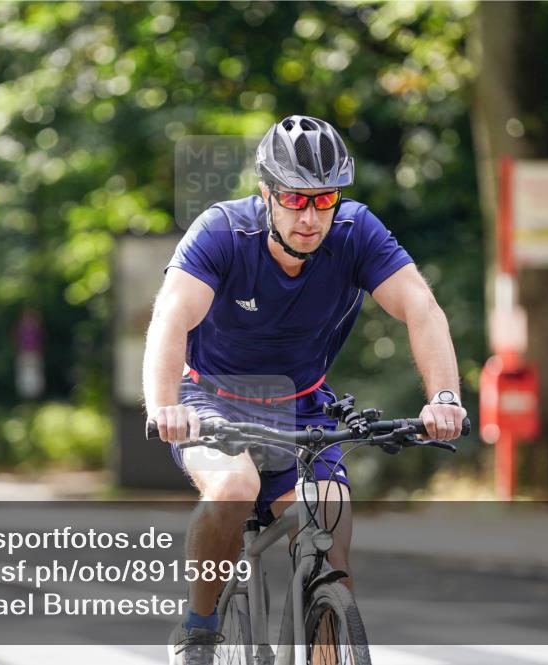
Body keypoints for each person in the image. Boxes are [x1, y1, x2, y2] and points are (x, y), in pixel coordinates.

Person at [143, 115, 467, 665]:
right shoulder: (222, 233)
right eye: (295, 199)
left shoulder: (356, 232)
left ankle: (324, 637)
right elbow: (171, 318)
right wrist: (164, 407)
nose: (311, 216)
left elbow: (421, 306)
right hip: (211, 400)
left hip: (304, 408)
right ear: (267, 193)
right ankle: (198, 631)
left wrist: (444, 398)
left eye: (324, 199)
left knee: (331, 525)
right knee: (233, 487)